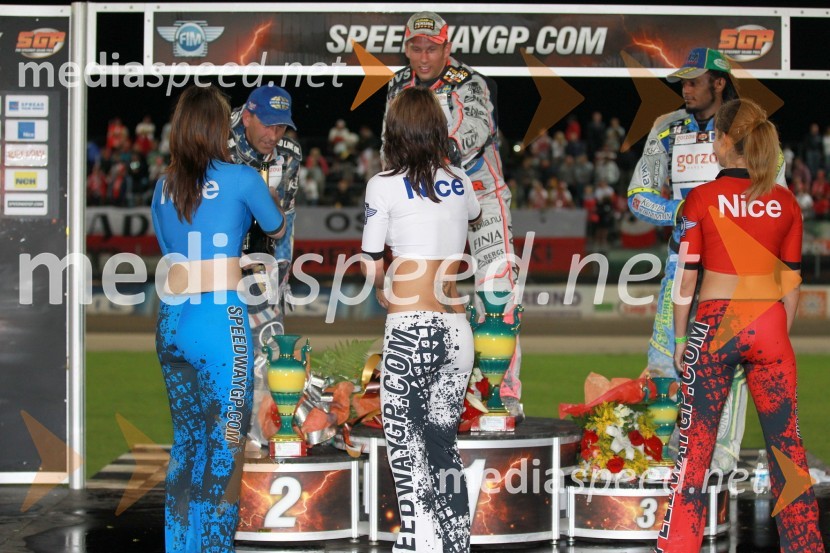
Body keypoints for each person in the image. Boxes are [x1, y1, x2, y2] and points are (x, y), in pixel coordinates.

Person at [658, 98, 824, 553]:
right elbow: (791, 282)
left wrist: (677, 338)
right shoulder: (786, 200)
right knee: (787, 451)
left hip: (713, 326)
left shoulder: (703, 197)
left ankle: (678, 547)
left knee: (694, 450)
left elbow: (686, 275)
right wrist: (776, 336)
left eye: (715, 136)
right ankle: (806, 547)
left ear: (724, 142)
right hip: (769, 323)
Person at [627, 47, 785, 472]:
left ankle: (721, 462)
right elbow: (637, 195)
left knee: (726, 364)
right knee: (664, 362)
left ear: (719, 81)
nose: (686, 88)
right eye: (683, 81)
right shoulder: (666, 127)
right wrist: (680, 213)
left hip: (734, 271)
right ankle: (671, 456)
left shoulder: (750, 128)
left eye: (695, 80)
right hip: (681, 267)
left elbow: (776, 194)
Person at [151, 85, 285, 553]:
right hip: (217, 323)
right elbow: (276, 226)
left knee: (186, 444)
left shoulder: (163, 184)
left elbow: (170, 249)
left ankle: (180, 547)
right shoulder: (242, 178)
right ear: (220, 128)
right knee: (225, 448)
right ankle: (212, 549)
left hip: (171, 324)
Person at [385, 11, 523, 415]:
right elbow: (387, 141)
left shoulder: (469, 83)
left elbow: (476, 129)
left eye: (432, 48)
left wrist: (439, 151)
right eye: (416, 48)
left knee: (497, 290)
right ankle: (430, 386)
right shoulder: (397, 84)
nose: (423, 57)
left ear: (448, 47)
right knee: (423, 290)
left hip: (481, 194)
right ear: (406, 48)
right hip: (422, 195)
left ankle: (506, 392)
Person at [362, 87, 481, 553]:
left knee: (408, 457)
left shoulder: (383, 183)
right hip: (457, 331)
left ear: (393, 132)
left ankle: (418, 545)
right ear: (437, 129)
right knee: (442, 448)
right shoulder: (460, 179)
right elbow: (470, 214)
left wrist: (383, 294)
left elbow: (372, 260)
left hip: (412, 330)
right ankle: (454, 545)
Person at [227, 84, 303, 445]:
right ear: (247, 116)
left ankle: (260, 438)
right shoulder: (217, 140)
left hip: (262, 254)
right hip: (217, 256)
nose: (274, 135)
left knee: (266, 348)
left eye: (281, 127)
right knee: (225, 355)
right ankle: (223, 439)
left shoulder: (289, 153)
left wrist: (277, 283)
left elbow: (283, 221)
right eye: (267, 125)